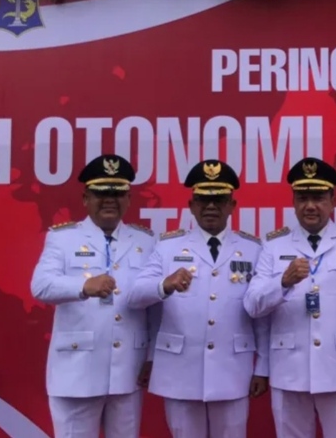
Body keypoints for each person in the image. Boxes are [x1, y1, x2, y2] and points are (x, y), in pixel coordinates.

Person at [127, 159, 270, 437]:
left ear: (232, 205)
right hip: (180, 369)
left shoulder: (253, 249)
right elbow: (134, 296)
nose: (211, 206)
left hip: (232, 369)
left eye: (219, 200)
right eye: (203, 200)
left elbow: (261, 316)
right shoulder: (168, 247)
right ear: (191, 205)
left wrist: (262, 367)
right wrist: (164, 285)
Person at [243, 157, 336, 438]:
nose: (310, 206)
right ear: (293, 202)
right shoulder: (274, 245)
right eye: (303, 198)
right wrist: (282, 282)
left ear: (333, 200)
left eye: (318, 198)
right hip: (288, 368)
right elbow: (253, 305)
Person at [30, 154, 157, 438]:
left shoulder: (146, 240)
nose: (110, 200)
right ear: (85, 198)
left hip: (128, 370)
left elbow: (155, 306)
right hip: (77, 371)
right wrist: (83, 286)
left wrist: (151, 356)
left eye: (117, 193)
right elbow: (41, 286)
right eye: (101, 193)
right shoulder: (63, 238)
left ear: (129, 199)